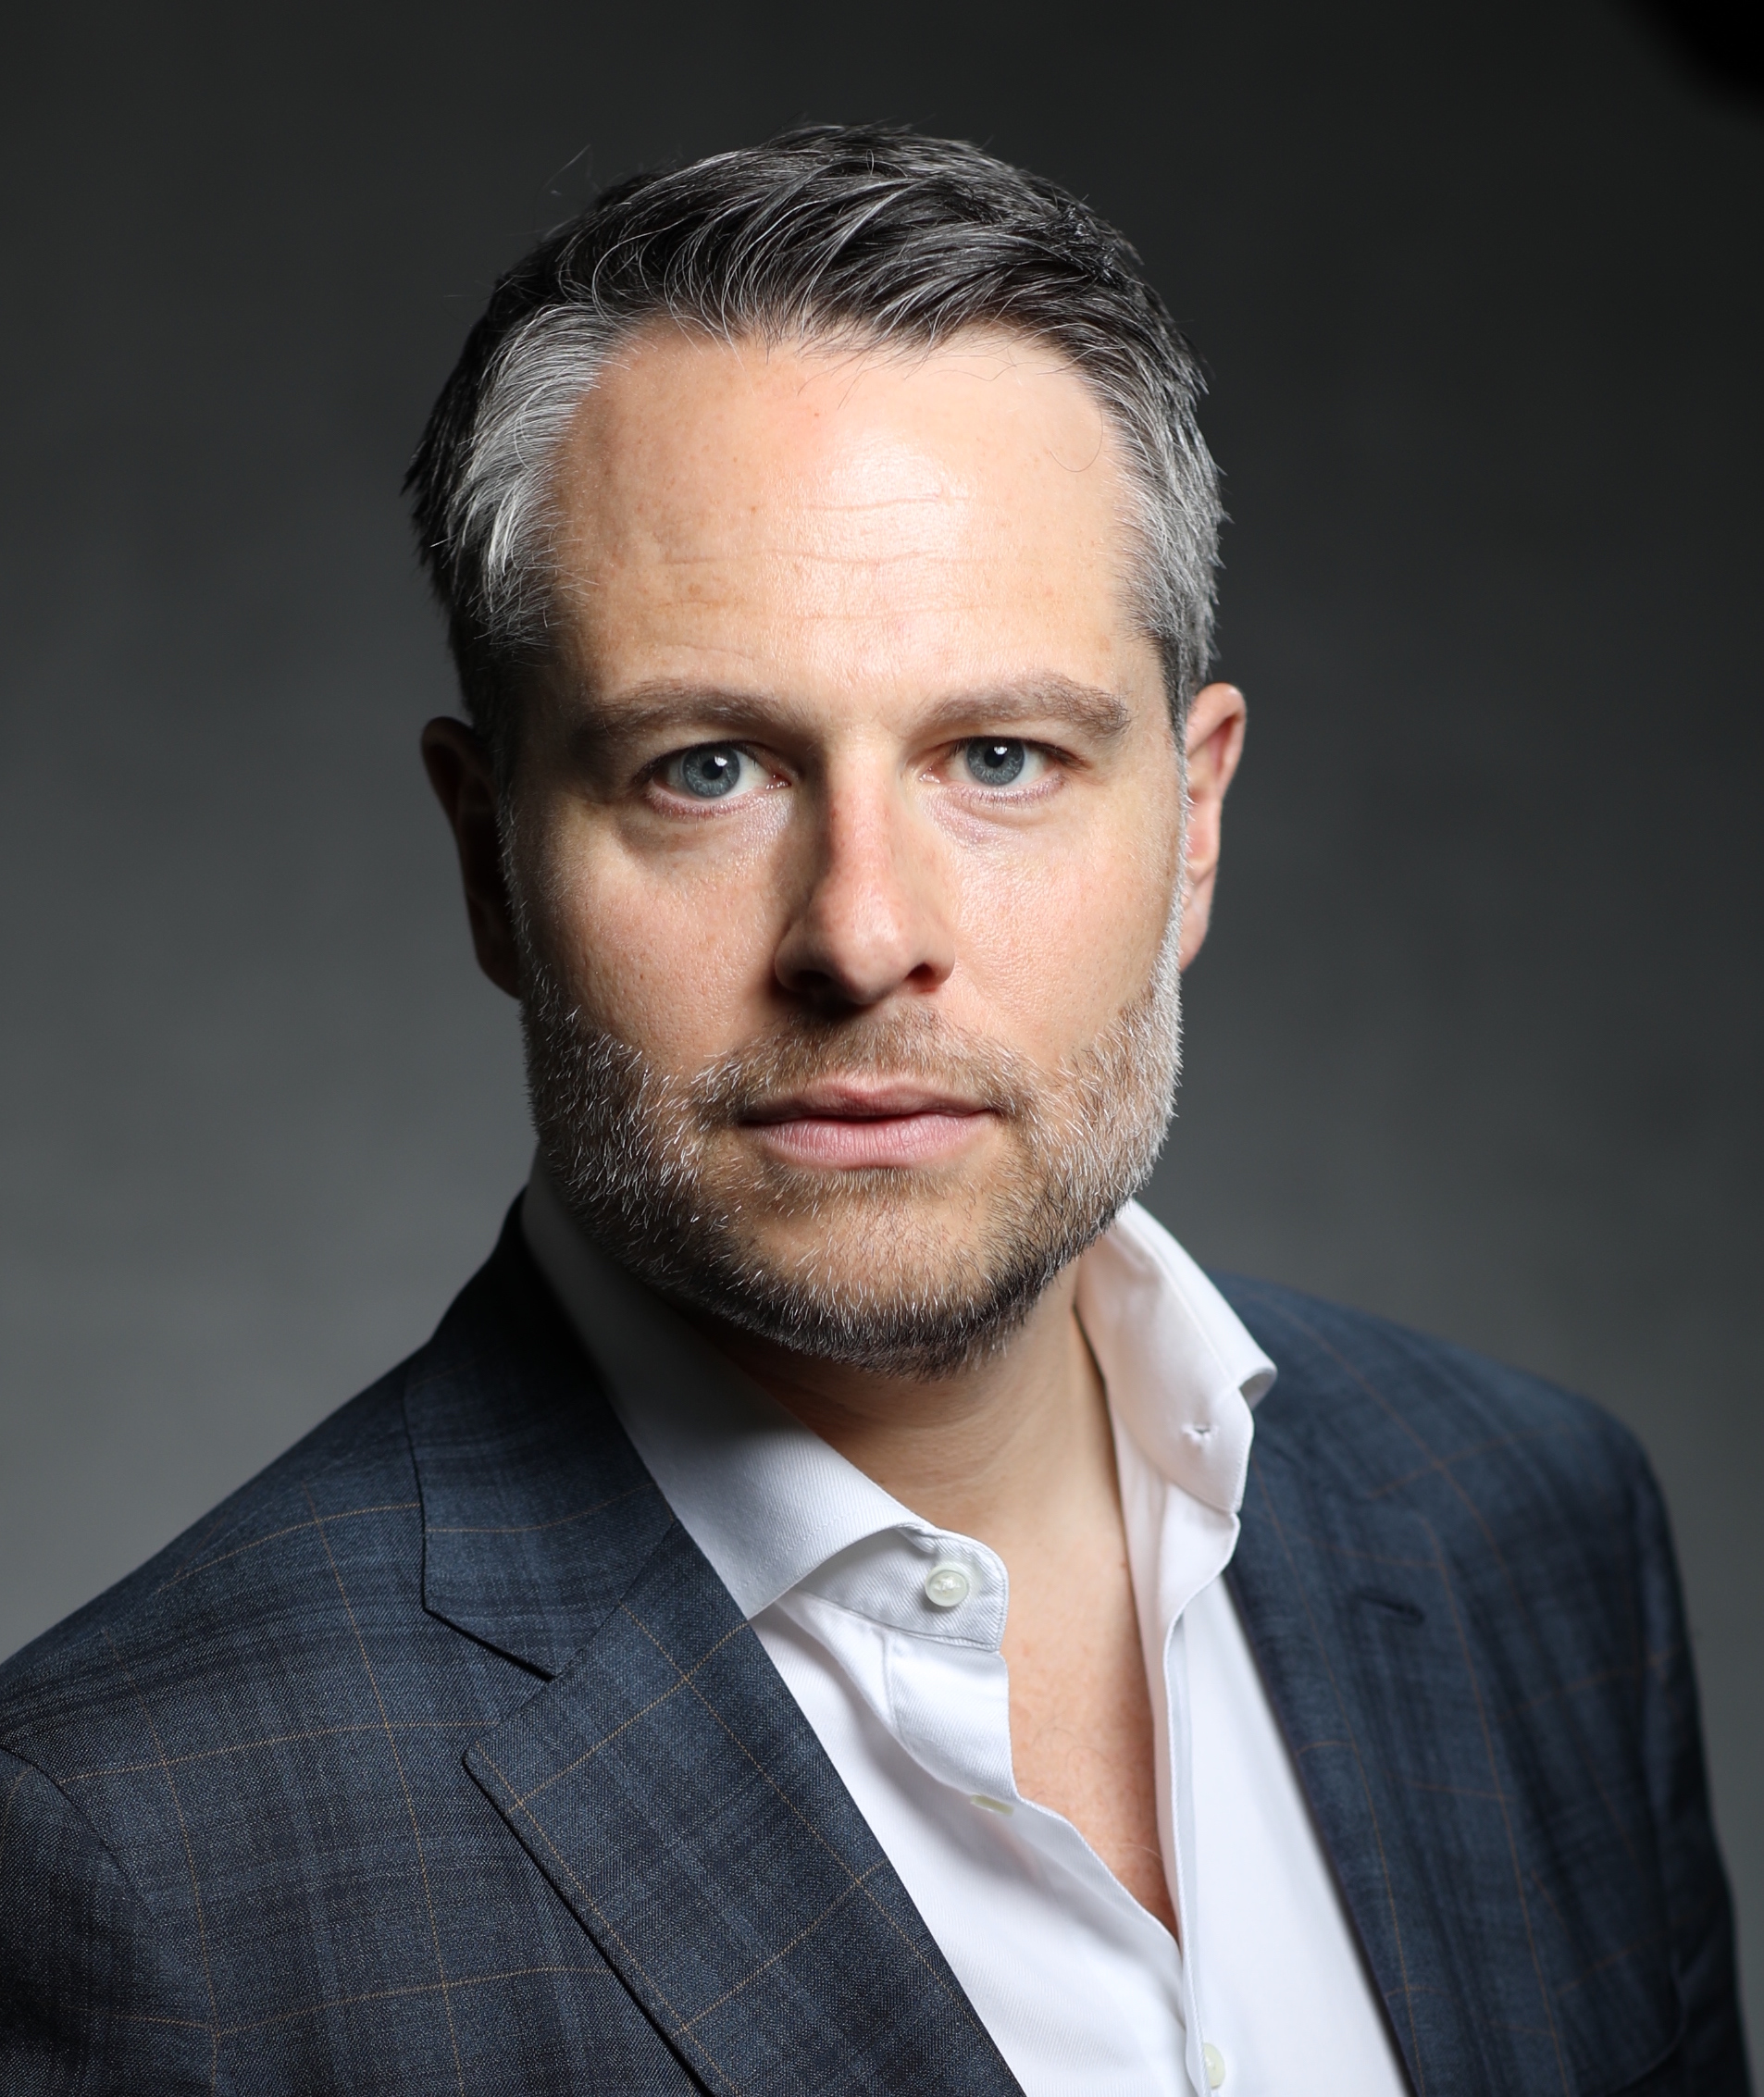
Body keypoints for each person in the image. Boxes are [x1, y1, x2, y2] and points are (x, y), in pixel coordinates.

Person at [0, 125, 1745, 2097]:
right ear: (490, 859)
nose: (857, 933)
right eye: (706, 767)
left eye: (997, 756)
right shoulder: (134, 1865)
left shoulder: (1532, 1531)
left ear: (1191, 825)